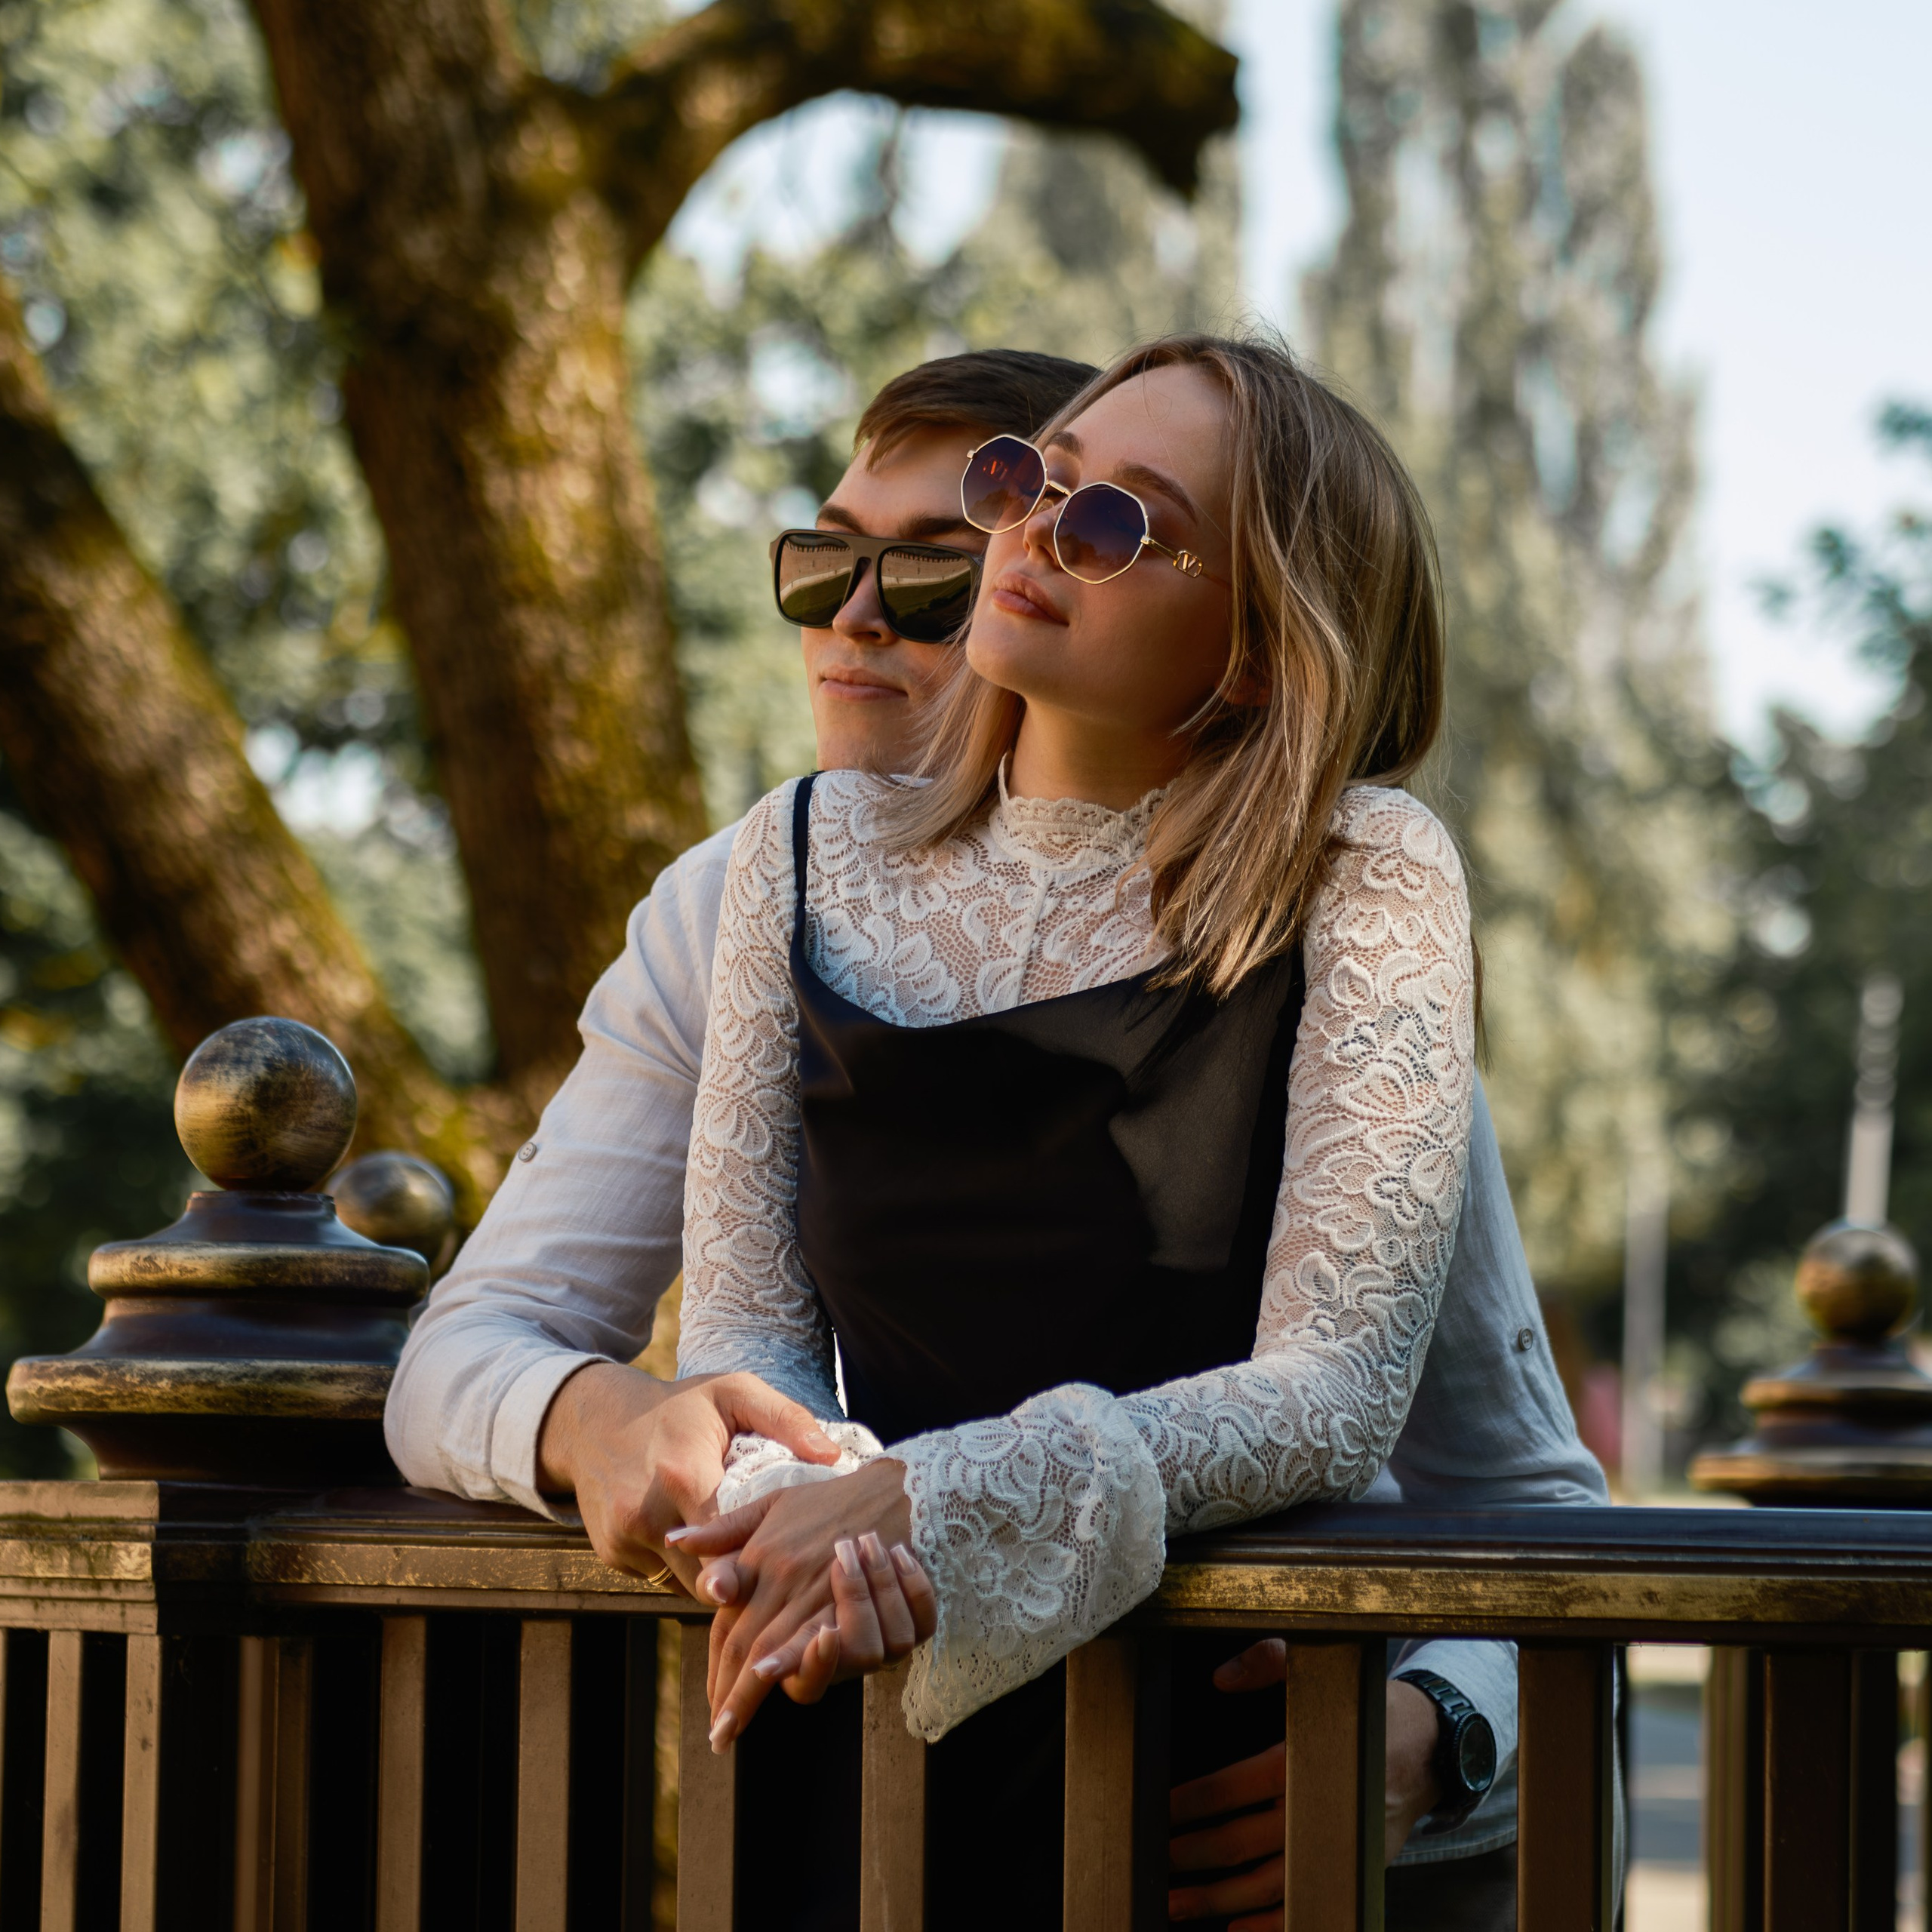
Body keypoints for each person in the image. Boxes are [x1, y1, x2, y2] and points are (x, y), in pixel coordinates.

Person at [386, 346, 1605, 1931]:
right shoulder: (777, 860)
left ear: (1251, 645)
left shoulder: (1355, 885)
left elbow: (1380, 1412)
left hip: (1239, 1810)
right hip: (859, 1748)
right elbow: (731, 1343)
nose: (864, 614)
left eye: (1106, 523)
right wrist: (735, 1474)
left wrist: (1440, 1732)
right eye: (1019, 487)